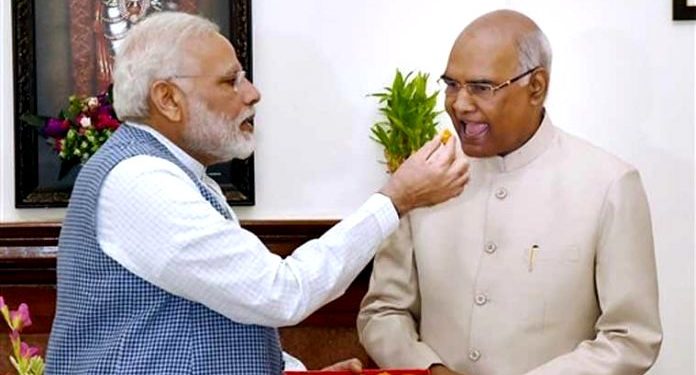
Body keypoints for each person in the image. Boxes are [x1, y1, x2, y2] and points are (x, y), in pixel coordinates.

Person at [44, 11, 470, 375]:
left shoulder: (177, 175)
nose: (252, 93)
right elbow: (281, 292)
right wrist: (395, 198)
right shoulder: (141, 182)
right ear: (168, 99)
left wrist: (288, 370)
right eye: (231, 81)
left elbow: (210, 314)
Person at [357, 9, 662, 375]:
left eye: (481, 88)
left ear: (536, 87)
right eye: (452, 85)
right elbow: (382, 311)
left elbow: (631, 338)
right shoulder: (424, 178)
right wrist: (430, 369)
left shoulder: (609, 184)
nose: (460, 104)